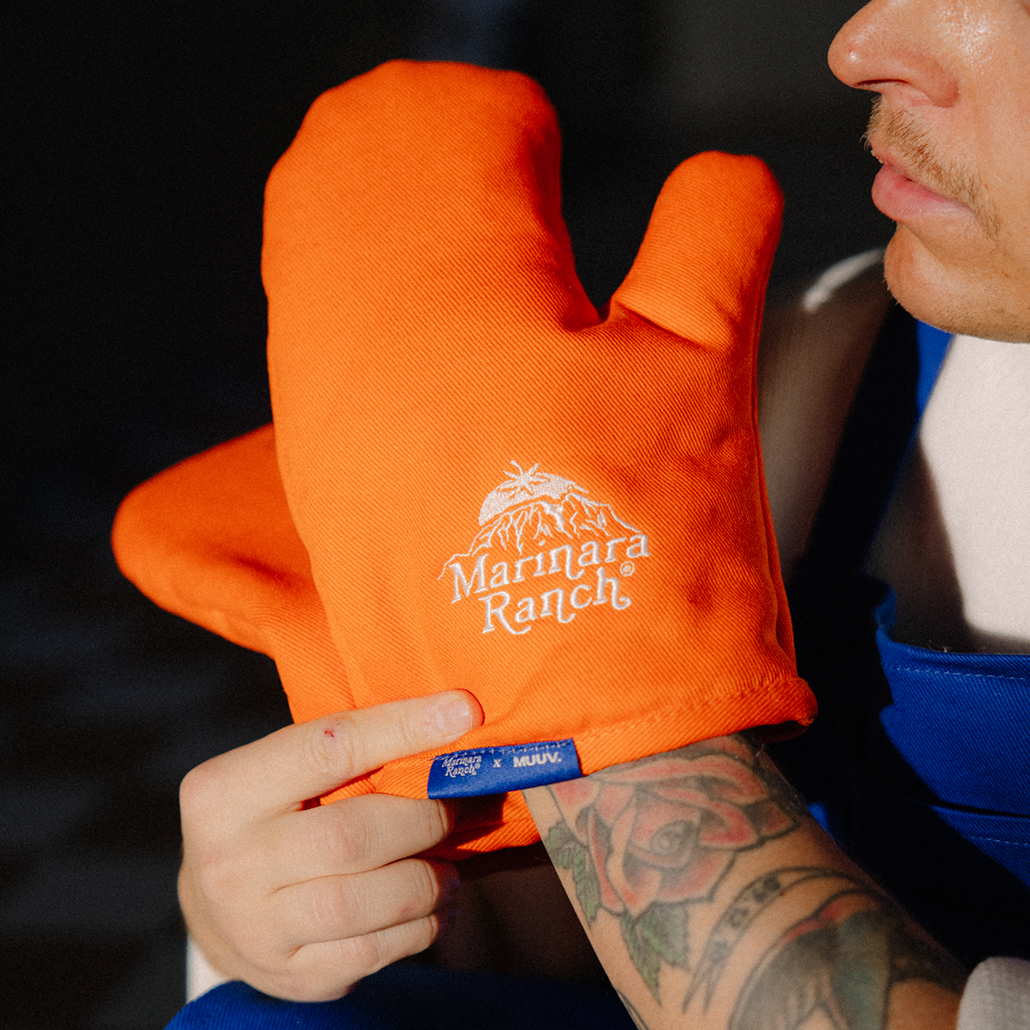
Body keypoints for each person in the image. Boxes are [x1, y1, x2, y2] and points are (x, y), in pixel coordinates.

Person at [159, 0, 1030, 1026]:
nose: (859, 50)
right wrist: (348, 902)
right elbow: (558, 933)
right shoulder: (822, 374)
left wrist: (608, 722)